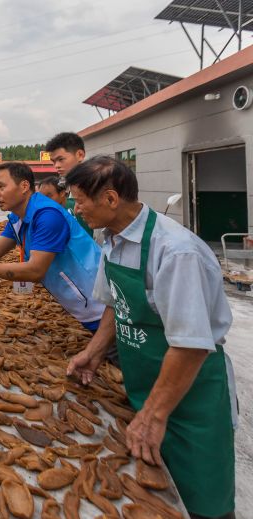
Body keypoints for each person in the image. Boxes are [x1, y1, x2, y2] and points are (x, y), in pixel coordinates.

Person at [65, 157, 236, 519]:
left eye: (81, 201)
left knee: (201, 499)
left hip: (191, 400)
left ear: (111, 199)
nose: (76, 210)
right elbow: (116, 302)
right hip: (146, 384)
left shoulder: (175, 251)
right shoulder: (111, 238)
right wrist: (94, 352)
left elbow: (190, 344)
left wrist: (155, 415)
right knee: (152, 497)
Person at [0, 162, 105, 335]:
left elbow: (35, 271)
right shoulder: (17, 217)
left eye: (1, 186)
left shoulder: (47, 216)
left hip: (100, 305)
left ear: (24, 186)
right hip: (82, 306)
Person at [44, 132, 92, 235]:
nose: (56, 165)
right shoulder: (68, 186)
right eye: (53, 161)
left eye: (61, 159)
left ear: (80, 155)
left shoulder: (94, 185)